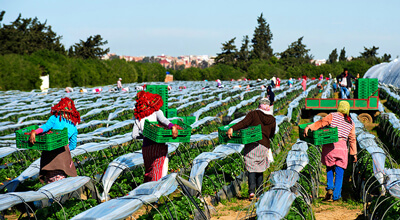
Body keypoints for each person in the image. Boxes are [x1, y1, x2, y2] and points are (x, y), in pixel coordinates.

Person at [303, 101, 357, 202]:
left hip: (330, 146)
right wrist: (354, 153)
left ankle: (330, 187)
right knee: (340, 172)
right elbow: (352, 138)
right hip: (342, 147)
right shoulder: (351, 122)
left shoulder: (332, 116)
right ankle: (336, 196)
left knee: (329, 167)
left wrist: (309, 127)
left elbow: (320, 123)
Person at [227, 98, 275, 200]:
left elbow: (244, 123)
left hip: (253, 143)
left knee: (251, 167)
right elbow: (272, 134)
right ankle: (260, 192)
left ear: (259, 105)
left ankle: (252, 192)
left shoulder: (254, 114)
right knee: (260, 168)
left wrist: (232, 128)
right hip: (264, 145)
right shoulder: (272, 118)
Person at [29, 97, 80, 183]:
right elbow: (73, 145)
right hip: (63, 157)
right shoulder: (73, 126)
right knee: (60, 181)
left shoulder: (54, 118)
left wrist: (34, 132)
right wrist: (65, 149)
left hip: (49, 154)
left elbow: (45, 127)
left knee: (50, 178)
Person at [131, 91, 178, 182]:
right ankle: (155, 192)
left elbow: (134, 135)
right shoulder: (156, 112)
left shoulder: (139, 116)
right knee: (158, 170)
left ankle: (146, 190)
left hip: (146, 148)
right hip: (158, 146)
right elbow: (164, 120)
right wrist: (172, 126)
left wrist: (146, 135)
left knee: (149, 171)